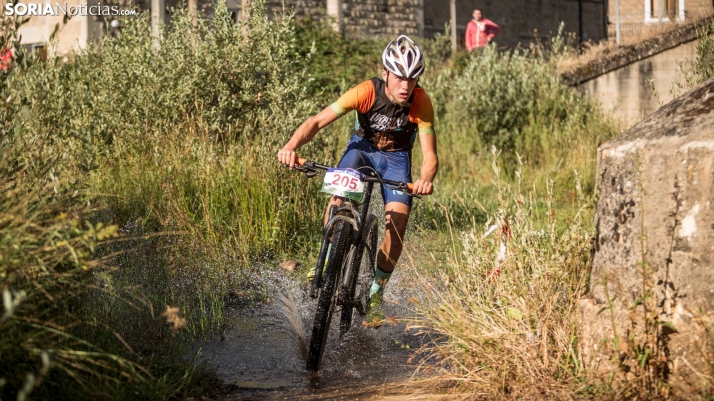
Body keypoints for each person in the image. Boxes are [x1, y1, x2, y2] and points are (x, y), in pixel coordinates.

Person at [277, 35, 438, 327]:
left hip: (396, 159)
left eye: (412, 79)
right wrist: (291, 147)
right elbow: (317, 121)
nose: (406, 86)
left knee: (398, 225)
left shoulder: (421, 102)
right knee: (338, 199)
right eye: (400, 77)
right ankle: (325, 263)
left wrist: (425, 180)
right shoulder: (366, 91)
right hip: (360, 152)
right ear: (386, 73)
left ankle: (376, 294)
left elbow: (430, 156)